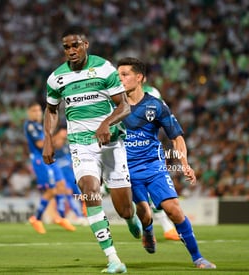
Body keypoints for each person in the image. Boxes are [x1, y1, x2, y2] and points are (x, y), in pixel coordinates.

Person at [42, 25, 142, 274]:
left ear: (85, 45)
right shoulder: (57, 78)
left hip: (111, 144)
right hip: (80, 145)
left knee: (124, 208)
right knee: (89, 191)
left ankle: (130, 217)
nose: (71, 50)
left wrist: (106, 123)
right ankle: (113, 259)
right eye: (66, 47)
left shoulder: (104, 68)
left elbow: (125, 106)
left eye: (75, 45)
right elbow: (52, 109)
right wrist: (48, 138)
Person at [117, 57, 216, 269]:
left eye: (124, 75)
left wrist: (185, 164)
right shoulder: (114, 106)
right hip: (127, 170)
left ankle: (198, 257)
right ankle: (148, 229)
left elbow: (176, 137)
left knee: (174, 210)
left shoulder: (156, 105)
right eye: (118, 75)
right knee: (144, 213)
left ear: (139, 77)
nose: (120, 79)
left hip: (155, 167)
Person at [24, 101, 76, 234]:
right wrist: (57, 137)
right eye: (34, 110)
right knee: (51, 190)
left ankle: (61, 217)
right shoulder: (30, 125)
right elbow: (41, 144)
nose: (38, 113)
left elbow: (50, 144)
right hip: (40, 161)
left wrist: (60, 140)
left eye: (39, 110)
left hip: (50, 158)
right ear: (29, 113)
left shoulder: (39, 126)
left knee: (61, 185)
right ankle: (36, 218)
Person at [52, 126, 87, 224]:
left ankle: (85, 215)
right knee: (68, 193)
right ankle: (78, 216)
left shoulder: (68, 146)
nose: (65, 136)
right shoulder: (52, 147)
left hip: (71, 175)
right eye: (62, 135)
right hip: (61, 177)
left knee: (80, 196)